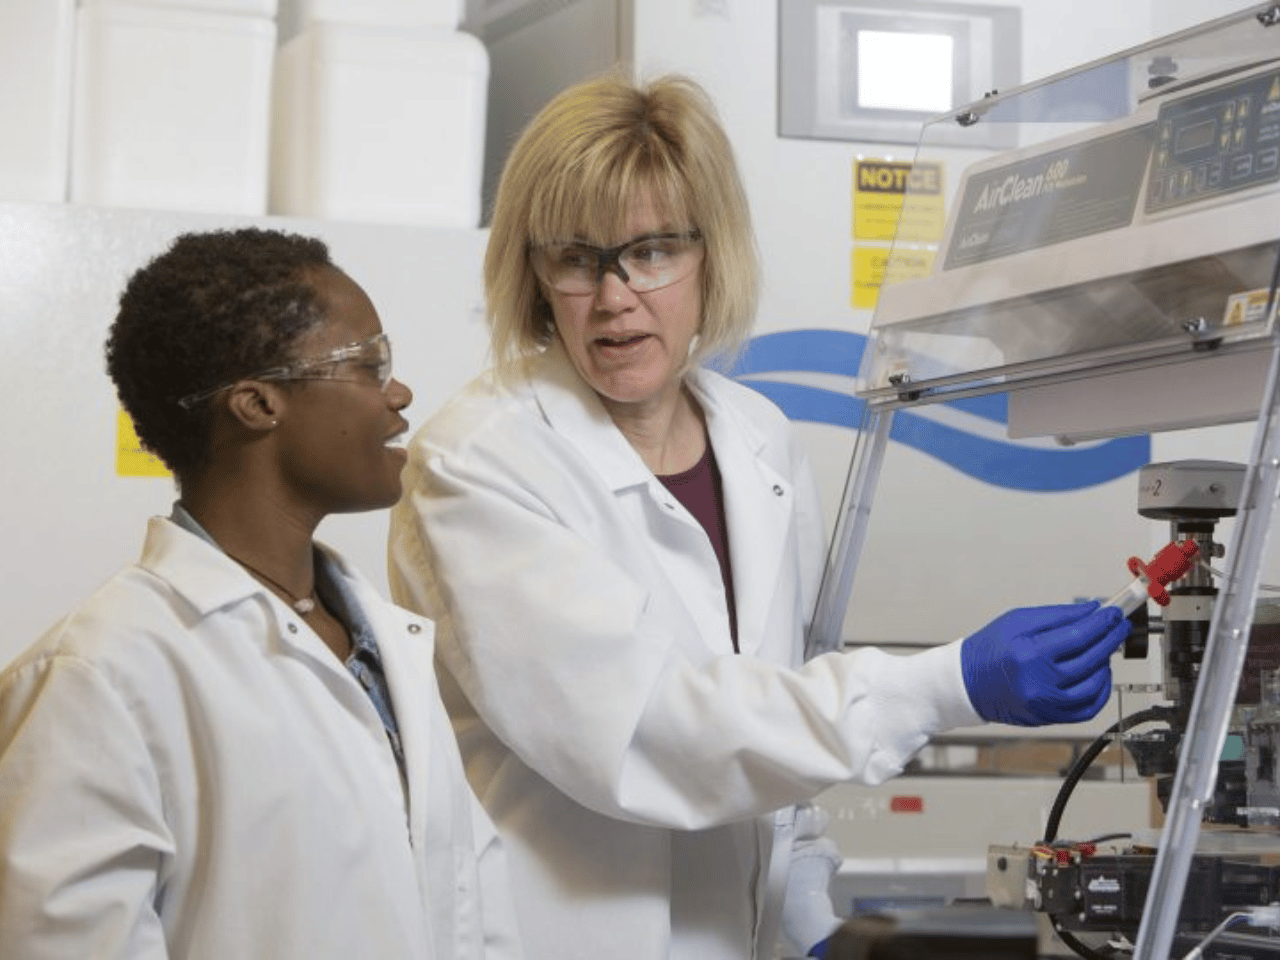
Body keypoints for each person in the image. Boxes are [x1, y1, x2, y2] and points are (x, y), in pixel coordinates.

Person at [387, 72, 1130, 960]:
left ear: (713, 253)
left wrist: (808, 923)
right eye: (578, 258)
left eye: (653, 250)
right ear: (535, 274)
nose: (617, 295)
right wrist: (945, 684)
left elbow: (780, 737)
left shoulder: (758, 440)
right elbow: (651, 731)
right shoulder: (479, 461)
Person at [0, 228, 523, 960]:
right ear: (256, 404)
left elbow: (470, 906)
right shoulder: (98, 677)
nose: (399, 394)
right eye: (370, 365)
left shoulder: (384, 645)